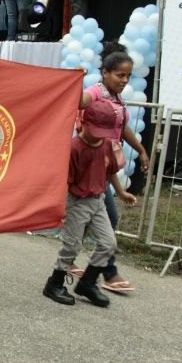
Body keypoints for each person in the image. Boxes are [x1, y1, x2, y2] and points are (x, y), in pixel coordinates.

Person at [43, 99, 137, 307]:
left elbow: (110, 171)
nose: (98, 136)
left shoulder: (106, 145)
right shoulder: (74, 149)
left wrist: (121, 192)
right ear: (84, 123)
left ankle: (87, 283)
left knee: (108, 243)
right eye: (95, 130)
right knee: (72, 245)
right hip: (77, 202)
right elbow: (63, 182)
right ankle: (54, 283)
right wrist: (59, 207)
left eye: (103, 132)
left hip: (99, 201)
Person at [78, 42, 149, 292]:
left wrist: (141, 150)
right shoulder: (96, 92)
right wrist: (74, 81)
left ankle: (71, 260)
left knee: (88, 219)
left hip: (106, 166)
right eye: (120, 75)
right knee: (109, 217)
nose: (125, 80)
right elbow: (80, 101)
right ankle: (107, 272)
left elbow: (122, 127)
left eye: (128, 76)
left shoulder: (117, 97)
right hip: (93, 166)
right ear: (106, 72)